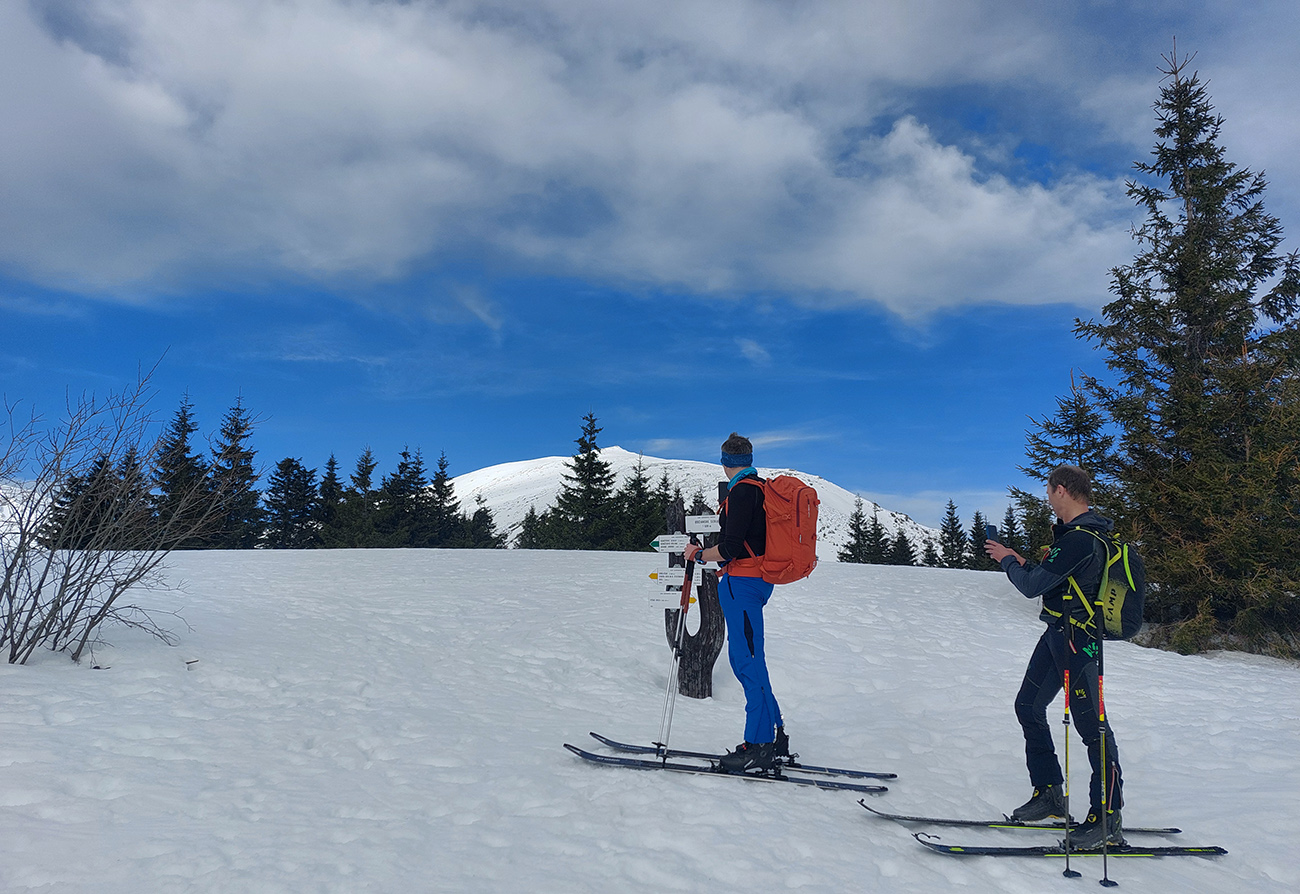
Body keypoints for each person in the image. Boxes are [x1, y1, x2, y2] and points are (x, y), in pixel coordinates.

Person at [985, 465, 1125, 849]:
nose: (1047, 498)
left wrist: (1007, 561)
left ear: (1061, 490)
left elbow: (1032, 587)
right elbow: (1052, 580)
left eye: (1048, 491)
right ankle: (1049, 795)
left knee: (1093, 727)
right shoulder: (1075, 536)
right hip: (1057, 635)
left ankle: (1107, 817)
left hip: (1078, 641)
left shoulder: (1080, 538)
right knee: (1028, 705)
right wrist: (1020, 561)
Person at [685, 433, 787, 773]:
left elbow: (730, 547)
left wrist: (698, 554)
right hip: (755, 581)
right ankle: (774, 734)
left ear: (725, 462)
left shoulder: (742, 491)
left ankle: (758, 745)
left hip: (742, 586)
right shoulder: (761, 488)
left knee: (746, 661)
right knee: (753, 659)